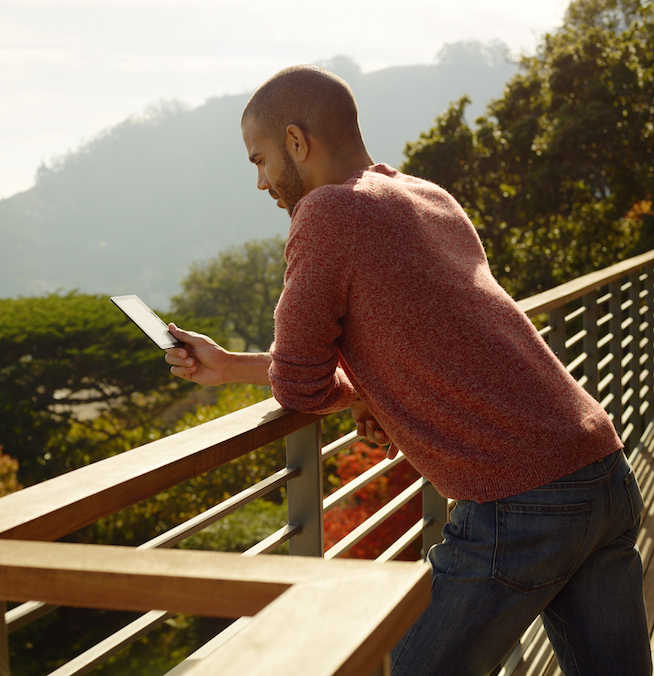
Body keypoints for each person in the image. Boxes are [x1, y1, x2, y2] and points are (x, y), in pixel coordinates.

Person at [164, 65, 651, 676]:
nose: (261, 182)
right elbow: (429, 334)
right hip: (600, 468)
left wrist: (362, 394)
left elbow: (299, 384)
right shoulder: (426, 195)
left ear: (296, 142)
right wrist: (233, 367)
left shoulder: (327, 214)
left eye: (260, 160)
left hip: (522, 499)